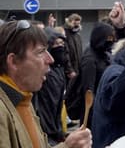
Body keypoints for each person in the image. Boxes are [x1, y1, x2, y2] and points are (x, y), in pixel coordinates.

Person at [0, 20, 92, 148]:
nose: (50, 59)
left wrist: (68, 146)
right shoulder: (3, 110)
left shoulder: (23, 98)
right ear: (13, 61)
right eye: (40, 52)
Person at [32, 27, 67, 146]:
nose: (60, 46)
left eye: (62, 43)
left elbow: (57, 104)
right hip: (45, 130)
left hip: (54, 127)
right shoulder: (41, 72)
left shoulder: (59, 68)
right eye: (56, 44)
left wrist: (59, 130)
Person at [64, 13, 83, 80]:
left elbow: (80, 53)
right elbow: (65, 53)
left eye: (78, 23)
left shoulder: (77, 35)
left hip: (77, 69)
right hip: (69, 71)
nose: (77, 26)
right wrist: (69, 70)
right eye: (75, 24)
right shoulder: (65, 34)